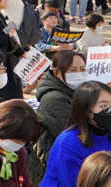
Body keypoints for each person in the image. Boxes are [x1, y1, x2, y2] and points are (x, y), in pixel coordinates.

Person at [29, 50, 88, 183]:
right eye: (72, 70)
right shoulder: (54, 99)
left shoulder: (77, 92)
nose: (79, 74)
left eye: (83, 69)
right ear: (57, 73)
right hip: (54, 165)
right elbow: (76, 134)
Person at [41, 81, 111, 187]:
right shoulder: (68, 144)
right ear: (86, 110)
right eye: (103, 106)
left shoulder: (107, 133)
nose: (109, 110)